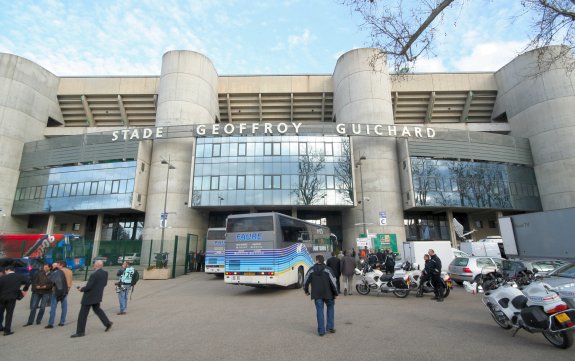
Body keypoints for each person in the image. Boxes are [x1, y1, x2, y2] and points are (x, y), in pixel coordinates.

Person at [71, 260, 113, 338]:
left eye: (94, 264)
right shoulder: (105, 273)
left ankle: (80, 332)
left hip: (89, 297)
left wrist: (81, 289)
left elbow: (89, 286)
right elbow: (104, 284)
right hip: (97, 296)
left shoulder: (94, 274)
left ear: (96, 265)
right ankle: (107, 323)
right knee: (97, 310)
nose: (93, 265)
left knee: (82, 314)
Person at [303, 254, 338, 337]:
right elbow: (333, 282)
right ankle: (330, 327)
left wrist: (306, 291)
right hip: (328, 293)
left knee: (319, 311)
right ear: (323, 260)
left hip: (316, 294)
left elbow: (305, 282)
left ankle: (321, 331)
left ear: (316, 260)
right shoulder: (328, 269)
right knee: (330, 308)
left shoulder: (311, 270)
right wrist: (336, 293)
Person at [0, 265, 31, 335]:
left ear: (6, 270)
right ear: (13, 270)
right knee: (9, 314)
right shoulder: (19, 276)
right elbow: (28, 282)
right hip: (12, 298)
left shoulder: (2, 278)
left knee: (0, 313)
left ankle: (0, 327)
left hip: (1, 298)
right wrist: (24, 290)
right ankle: (7, 330)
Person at [46, 262, 68, 328]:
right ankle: (62, 322)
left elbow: (51, 281)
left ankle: (51, 323)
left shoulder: (57, 272)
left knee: (53, 308)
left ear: (61, 265)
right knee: (64, 308)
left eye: (58, 264)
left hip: (56, 292)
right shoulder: (69, 271)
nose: (55, 266)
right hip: (64, 291)